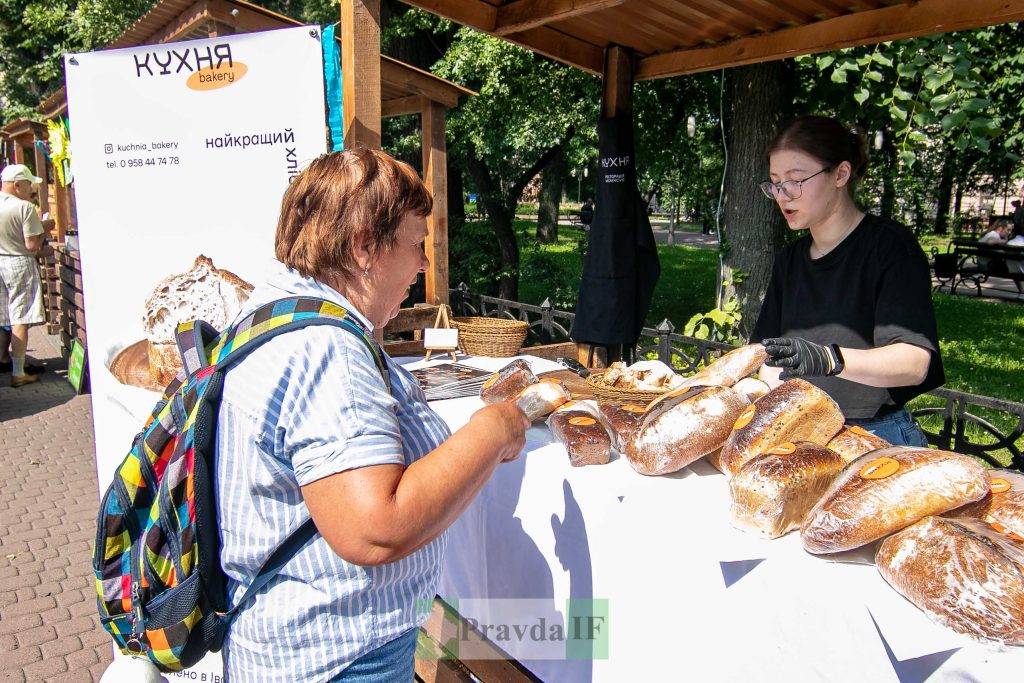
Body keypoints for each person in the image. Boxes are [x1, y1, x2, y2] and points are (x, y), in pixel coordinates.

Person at [216, 148, 530, 682]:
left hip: (304, 648)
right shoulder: (325, 350)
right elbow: (375, 529)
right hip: (336, 658)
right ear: (364, 246)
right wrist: (493, 430)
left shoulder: (274, 313)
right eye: (415, 245)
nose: (424, 264)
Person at [751, 116, 944, 446]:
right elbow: (769, 357)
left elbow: (914, 362)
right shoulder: (790, 260)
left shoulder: (890, 247)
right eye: (775, 183)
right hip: (799, 428)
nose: (783, 195)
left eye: (795, 180)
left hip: (874, 434)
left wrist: (830, 359)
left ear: (840, 174)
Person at [0, 164, 52, 387]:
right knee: (20, 316)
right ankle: (18, 371)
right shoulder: (24, 207)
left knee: (4, 315)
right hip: (19, 264)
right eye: (29, 184)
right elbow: (32, 245)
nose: (31, 189)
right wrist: (45, 228)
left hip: (1, 261)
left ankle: (3, 358)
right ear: (17, 184)